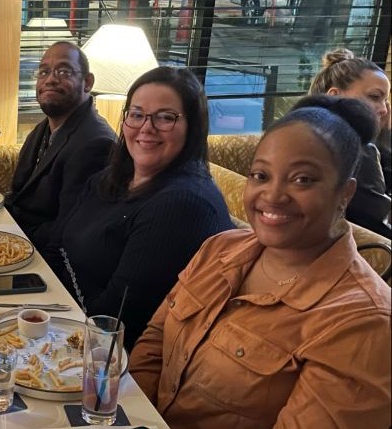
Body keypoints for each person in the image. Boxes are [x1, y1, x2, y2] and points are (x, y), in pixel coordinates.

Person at [129, 95, 391, 429]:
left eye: (302, 179)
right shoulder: (220, 249)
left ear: (345, 193)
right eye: (260, 175)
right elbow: (154, 343)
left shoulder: (365, 324)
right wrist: (131, 415)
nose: (273, 195)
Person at [44, 66, 234, 349]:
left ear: (192, 127)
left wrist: (51, 312)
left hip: (111, 359)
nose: (146, 128)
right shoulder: (110, 178)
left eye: (165, 117)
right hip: (65, 318)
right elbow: (55, 243)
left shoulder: (183, 205)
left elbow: (116, 316)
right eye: (136, 114)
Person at [5, 41, 116, 247]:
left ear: (87, 82)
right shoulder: (44, 129)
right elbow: (19, 195)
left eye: (64, 71)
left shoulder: (96, 144)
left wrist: (8, 239)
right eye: (43, 71)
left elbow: (69, 229)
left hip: (47, 261)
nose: (50, 80)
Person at [309, 48, 390, 237]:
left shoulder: (302, 133)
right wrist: (385, 137)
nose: (384, 110)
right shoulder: (358, 148)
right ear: (335, 96)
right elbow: (379, 222)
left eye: (385, 100)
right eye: (375, 97)